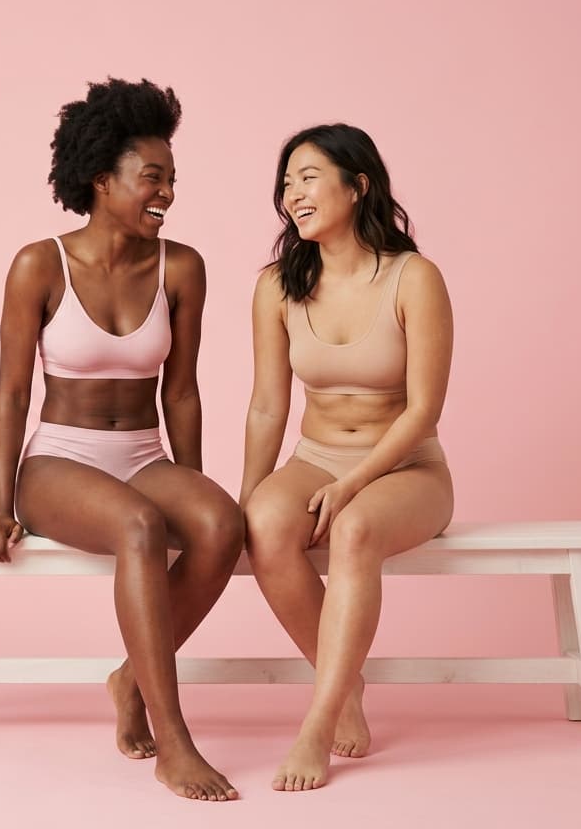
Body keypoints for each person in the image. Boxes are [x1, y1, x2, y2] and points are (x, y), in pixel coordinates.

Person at [0, 78, 243, 802]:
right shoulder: (39, 264)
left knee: (221, 523)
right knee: (138, 526)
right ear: (101, 180)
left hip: (145, 455)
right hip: (61, 459)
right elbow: (13, 393)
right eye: (153, 178)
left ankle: (128, 677)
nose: (168, 193)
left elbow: (180, 391)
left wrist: (197, 488)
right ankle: (174, 741)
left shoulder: (182, 267)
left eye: (172, 179)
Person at [240, 123, 455, 792]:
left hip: (405, 467)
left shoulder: (414, 277)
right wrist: (250, 498)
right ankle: (349, 685)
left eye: (308, 177)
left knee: (355, 529)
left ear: (358, 185)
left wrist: (356, 482)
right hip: (315, 457)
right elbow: (268, 406)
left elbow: (424, 409)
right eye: (286, 182)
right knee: (267, 526)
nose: (292, 193)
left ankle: (319, 719)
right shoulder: (277, 285)